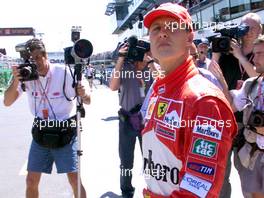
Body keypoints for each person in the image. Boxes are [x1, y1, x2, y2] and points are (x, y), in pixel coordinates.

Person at [141, 3, 237, 197]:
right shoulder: (159, 90)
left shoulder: (204, 101)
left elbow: (199, 187)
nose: (163, 33)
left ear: (189, 38)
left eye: (172, 27)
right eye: (156, 28)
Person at [3, 38, 89, 198]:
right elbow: (7, 102)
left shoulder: (64, 72)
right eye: (30, 59)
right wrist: (16, 81)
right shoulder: (26, 75)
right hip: (40, 135)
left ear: (45, 55)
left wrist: (83, 93)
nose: (34, 63)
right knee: (31, 181)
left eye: (37, 58)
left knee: (75, 180)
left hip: (65, 134)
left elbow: (88, 99)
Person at [211, 12, 262, 198]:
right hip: (225, 121)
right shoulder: (227, 52)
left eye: (252, 28)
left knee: (249, 177)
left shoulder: (260, 54)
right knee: (221, 175)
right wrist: (216, 54)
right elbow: (211, 76)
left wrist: (240, 56)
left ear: (261, 30)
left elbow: (259, 78)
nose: (248, 32)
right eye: (244, 27)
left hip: (251, 125)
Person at [109, 38, 158, 198]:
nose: (140, 55)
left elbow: (163, 81)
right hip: (127, 120)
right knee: (126, 160)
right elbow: (113, 87)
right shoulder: (126, 67)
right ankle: (126, 191)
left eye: (145, 50)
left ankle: (153, 189)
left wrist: (150, 62)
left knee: (152, 159)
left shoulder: (153, 67)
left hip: (148, 121)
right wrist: (121, 58)